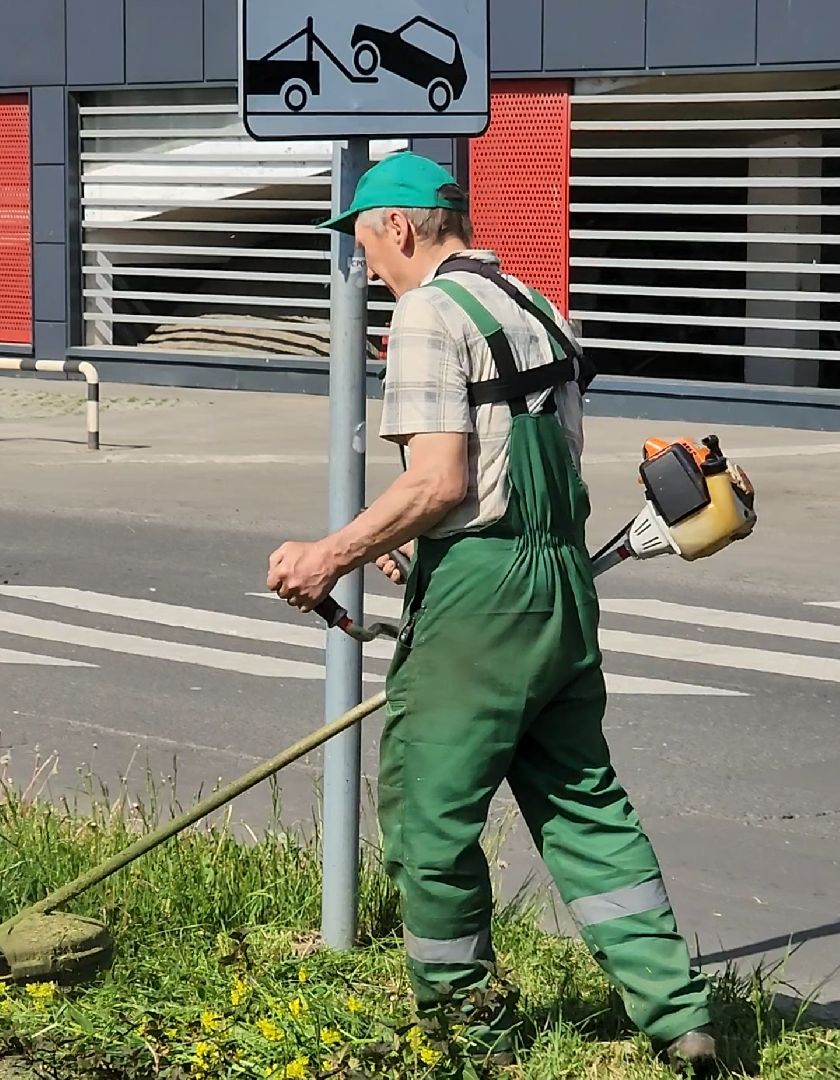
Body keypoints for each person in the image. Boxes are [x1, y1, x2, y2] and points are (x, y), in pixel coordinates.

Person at [266, 151, 717, 1074]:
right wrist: (422, 538)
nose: (366, 267)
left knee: (429, 810)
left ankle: (464, 1024)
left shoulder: (428, 311)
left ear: (398, 227)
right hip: (558, 583)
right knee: (584, 803)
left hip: (485, 600)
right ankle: (680, 1018)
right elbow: (513, 468)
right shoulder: (538, 302)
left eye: (362, 245)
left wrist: (331, 554)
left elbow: (442, 481)